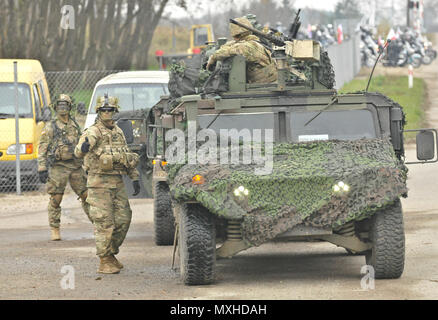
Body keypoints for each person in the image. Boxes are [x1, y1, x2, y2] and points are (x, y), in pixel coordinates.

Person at [74, 95, 140, 274]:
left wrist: (134, 177)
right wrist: (84, 148)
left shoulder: (118, 131)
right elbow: (79, 151)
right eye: (103, 110)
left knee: (124, 219)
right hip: (99, 183)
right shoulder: (94, 131)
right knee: (104, 222)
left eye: (110, 110)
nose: (107, 113)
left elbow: (126, 155)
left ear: (115, 111)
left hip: (117, 182)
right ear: (98, 112)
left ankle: (111, 254)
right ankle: (104, 260)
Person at [37, 94, 91, 241]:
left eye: (65, 105)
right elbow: (42, 147)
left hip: (75, 165)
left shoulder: (75, 124)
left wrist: (86, 161)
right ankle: (55, 229)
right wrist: (42, 168)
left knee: (86, 195)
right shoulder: (50, 127)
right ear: (55, 107)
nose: (63, 108)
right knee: (56, 198)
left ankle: (98, 223)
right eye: (60, 105)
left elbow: (82, 143)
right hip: (58, 166)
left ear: (69, 107)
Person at [206, 16, 277, 84]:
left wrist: (214, 56)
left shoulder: (252, 46)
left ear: (235, 35)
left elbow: (237, 49)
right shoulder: (253, 42)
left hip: (264, 88)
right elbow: (232, 44)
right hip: (265, 86)